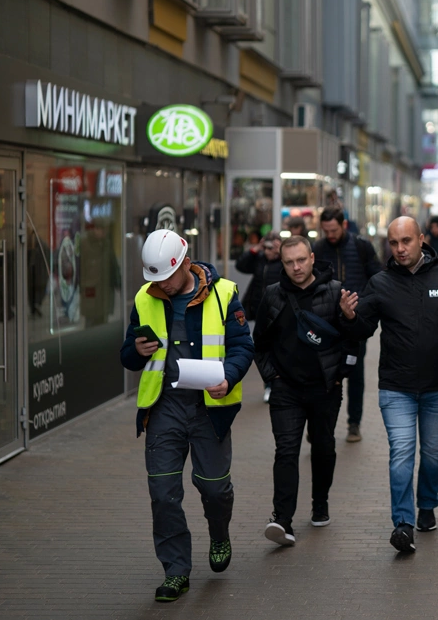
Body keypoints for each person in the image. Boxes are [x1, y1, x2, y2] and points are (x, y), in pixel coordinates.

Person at [120, 230, 254, 603]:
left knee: (213, 487)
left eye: (166, 275)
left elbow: (243, 346)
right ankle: (176, 571)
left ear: (184, 262)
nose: (160, 283)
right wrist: (137, 349)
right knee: (163, 494)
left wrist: (228, 377)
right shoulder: (145, 299)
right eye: (154, 277)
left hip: (209, 410)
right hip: (164, 410)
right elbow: (128, 356)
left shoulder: (224, 293)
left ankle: (219, 533)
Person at [342, 217, 438, 553]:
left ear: (421, 239)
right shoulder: (380, 282)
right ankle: (403, 524)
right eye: (393, 243)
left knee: (433, 453)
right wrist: (349, 316)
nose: (400, 249)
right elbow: (362, 327)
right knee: (402, 452)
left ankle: (427, 505)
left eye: (406, 241)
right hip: (396, 386)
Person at [251, 236, 360, 546]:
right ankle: (282, 519)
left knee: (324, 447)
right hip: (286, 390)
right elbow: (259, 343)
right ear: (282, 264)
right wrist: (272, 377)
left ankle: (320, 503)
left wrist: (342, 373)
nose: (296, 267)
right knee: (286, 450)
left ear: (312, 258)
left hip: (325, 388)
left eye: (301, 260)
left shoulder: (336, 291)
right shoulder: (273, 295)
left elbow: (353, 337)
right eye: (289, 262)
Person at [312, 206, 382, 443]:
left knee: (355, 373)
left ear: (342, 225)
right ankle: (320, 426)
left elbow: (377, 277)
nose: (330, 235)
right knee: (322, 374)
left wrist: (365, 306)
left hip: (355, 322)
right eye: (326, 230)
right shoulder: (318, 249)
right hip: (326, 324)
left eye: (333, 230)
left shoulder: (362, 247)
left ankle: (354, 423)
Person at [236, 233, 283, 402]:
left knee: (276, 349)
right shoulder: (260, 259)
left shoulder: (284, 262)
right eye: (267, 247)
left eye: (272, 248)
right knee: (263, 349)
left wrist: (282, 252)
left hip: (278, 312)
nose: (269, 251)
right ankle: (269, 385)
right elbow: (241, 265)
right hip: (259, 310)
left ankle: (277, 384)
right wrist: (255, 249)